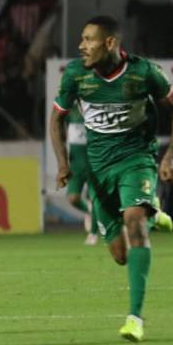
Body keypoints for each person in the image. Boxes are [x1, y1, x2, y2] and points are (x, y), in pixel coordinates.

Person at [49, 15, 173, 343]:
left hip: (136, 160)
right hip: (100, 173)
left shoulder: (144, 73)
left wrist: (170, 157)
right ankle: (153, 213)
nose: (81, 46)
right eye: (81, 39)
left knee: (135, 225)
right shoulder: (76, 75)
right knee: (120, 255)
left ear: (110, 43)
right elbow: (56, 119)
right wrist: (62, 163)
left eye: (88, 39)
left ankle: (135, 318)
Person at [64, 104, 98, 245]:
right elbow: (63, 131)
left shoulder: (96, 107)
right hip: (76, 163)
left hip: (94, 161)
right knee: (73, 198)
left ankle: (93, 233)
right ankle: (90, 211)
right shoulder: (71, 112)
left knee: (95, 198)